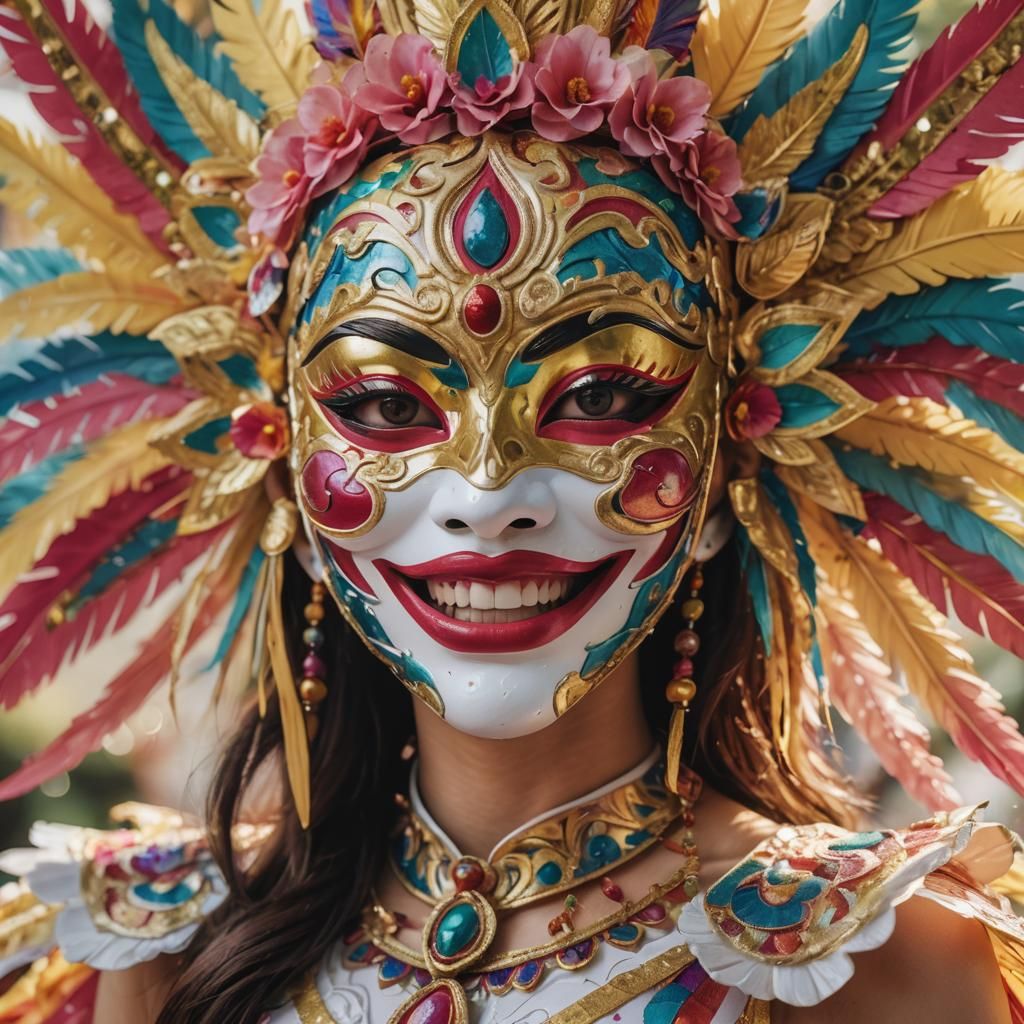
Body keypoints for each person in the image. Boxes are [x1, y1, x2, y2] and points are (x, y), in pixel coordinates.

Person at [1, 0, 1023, 1020]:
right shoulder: (166, 946)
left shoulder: (866, 958)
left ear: (728, 464)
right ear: (282, 472)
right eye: (386, 406)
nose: (488, 497)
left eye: (603, 395)